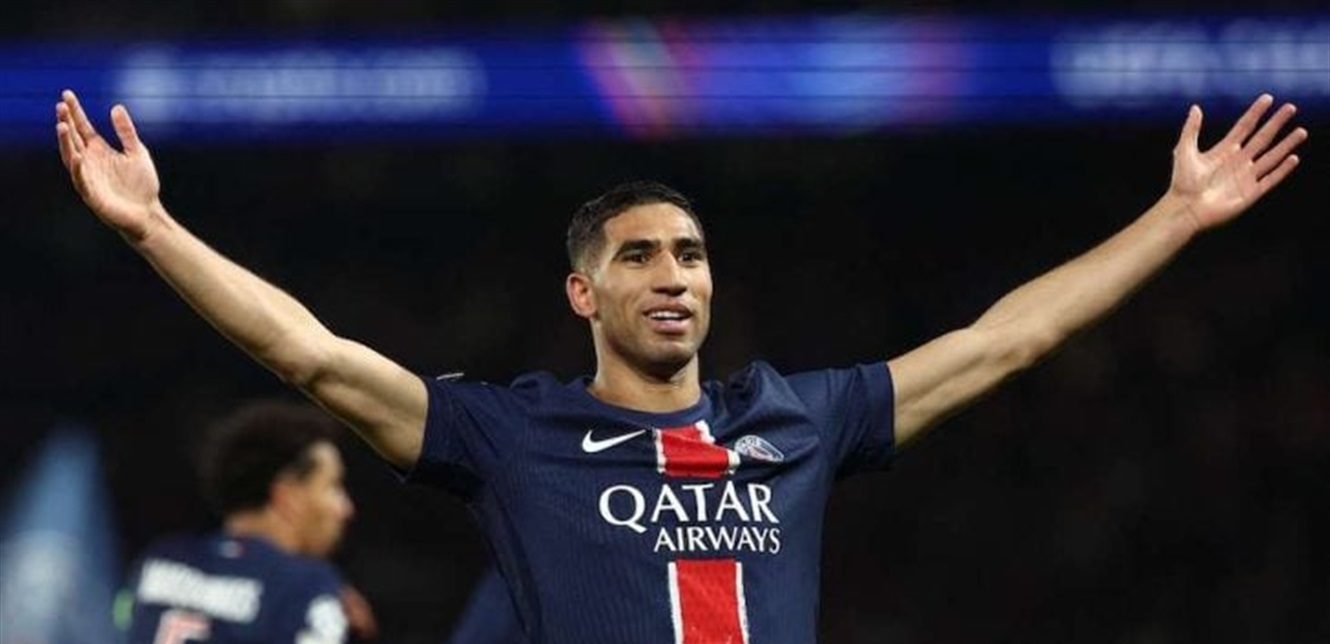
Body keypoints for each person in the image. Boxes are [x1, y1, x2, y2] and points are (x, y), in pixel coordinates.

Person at [56, 89, 1306, 643]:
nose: (673, 275)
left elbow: (1005, 336)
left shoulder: (800, 418)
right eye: (640, 254)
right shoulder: (510, 435)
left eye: (692, 254)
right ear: (583, 292)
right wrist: (154, 229)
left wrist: (1174, 217)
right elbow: (311, 353)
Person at [119, 399, 377, 643]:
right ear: (288, 498)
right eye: (334, 486)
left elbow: (121, 617)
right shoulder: (308, 588)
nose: (346, 508)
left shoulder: (158, 560)